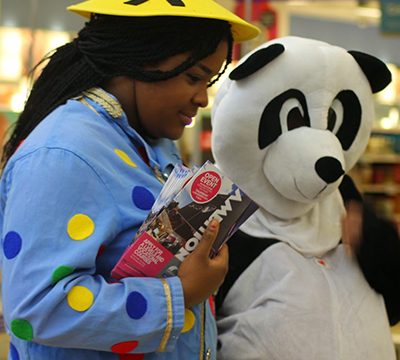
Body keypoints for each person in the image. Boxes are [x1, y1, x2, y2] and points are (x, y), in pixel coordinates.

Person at [0, 1, 259, 359]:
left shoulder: (151, 142)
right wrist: (181, 294)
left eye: (209, 81)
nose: (202, 98)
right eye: (194, 77)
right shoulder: (64, 153)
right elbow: (35, 309)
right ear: (139, 59)